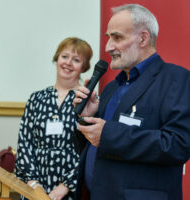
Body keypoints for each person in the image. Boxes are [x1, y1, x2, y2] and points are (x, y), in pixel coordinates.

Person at [73, 4, 190, 200]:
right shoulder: (111, 88)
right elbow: (93, 147)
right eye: (108, 38)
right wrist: (89, 118)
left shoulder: (176, 80)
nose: (108, 47)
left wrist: (108, 134)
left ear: (143, 38)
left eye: (117, 37)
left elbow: (178, 145)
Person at [15, 37, 93, 200]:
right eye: (64, 56)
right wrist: (34, 185)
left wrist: (66, 186)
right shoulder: (36, 98)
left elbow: (90, 150)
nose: (68, 63)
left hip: (72, 188)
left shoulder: (88, 101)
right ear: (57, 58)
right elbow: (25, 143)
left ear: (84, 67)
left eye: (76, 60)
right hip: (35, 187)